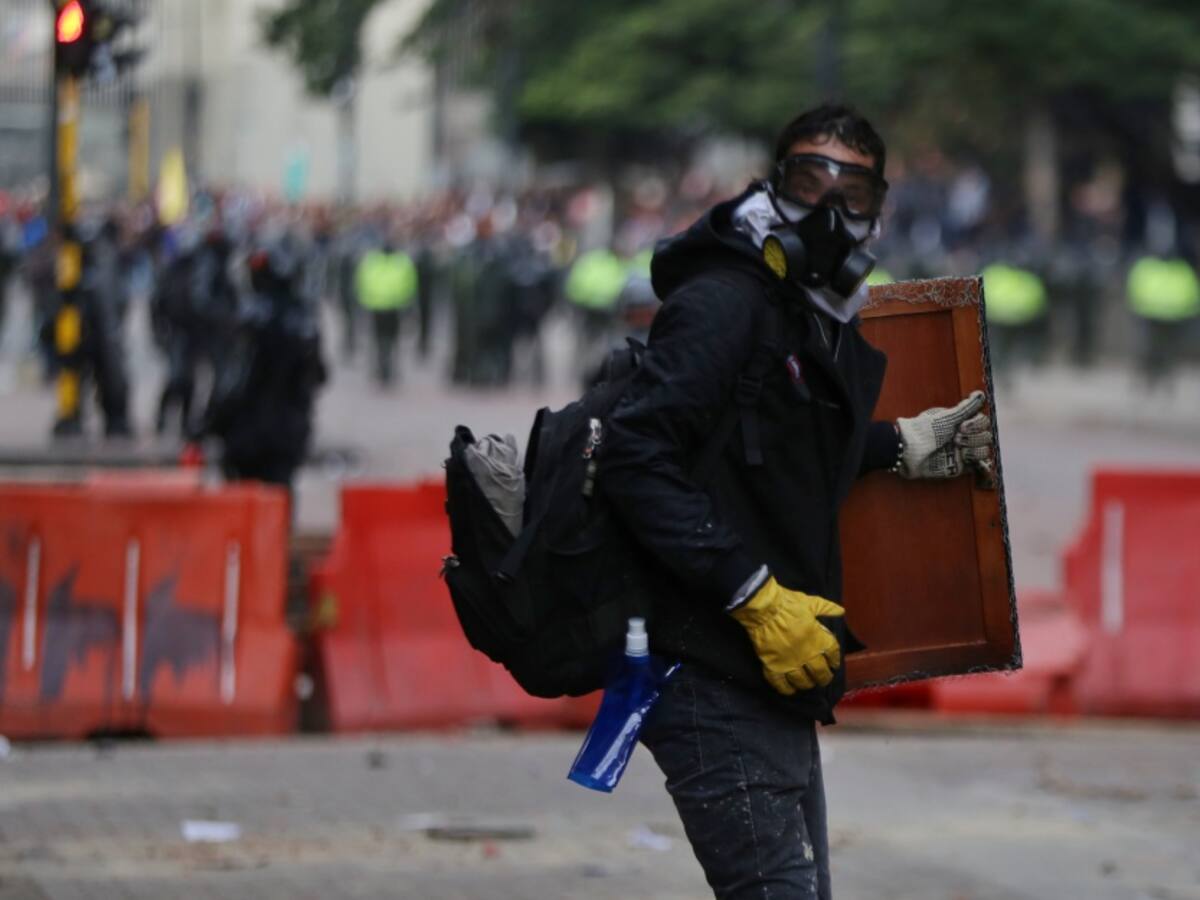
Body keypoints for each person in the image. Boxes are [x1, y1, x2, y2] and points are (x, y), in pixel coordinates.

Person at [600, 104, 994, 899]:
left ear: (878, 211)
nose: (830, 213)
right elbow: (633, 456)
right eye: (811, 183)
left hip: (773, 670)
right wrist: (751, 594)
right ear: (773, 190)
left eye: (854, 195)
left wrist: (901, 445)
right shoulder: (724, 301)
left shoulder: (807, 314)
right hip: (708, 666)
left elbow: (780, 453)